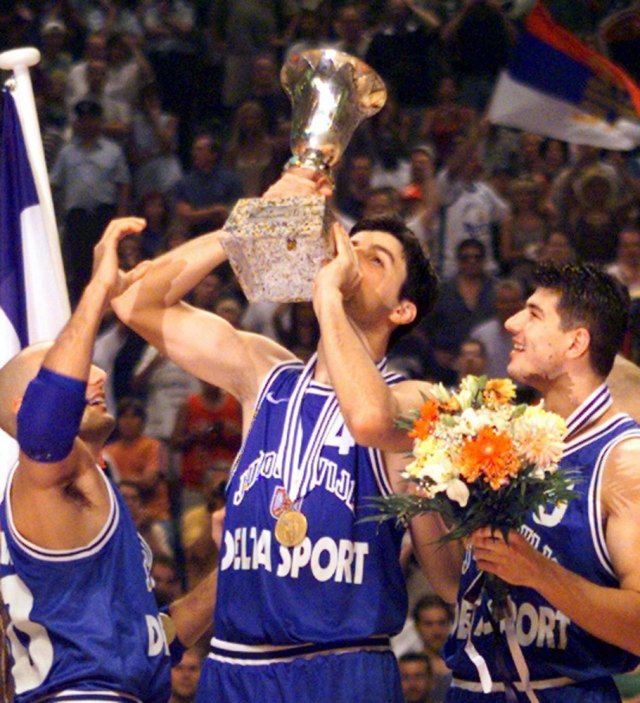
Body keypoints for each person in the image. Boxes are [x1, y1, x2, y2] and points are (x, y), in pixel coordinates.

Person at [111, 169, 462, 702]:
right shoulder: (265, 374)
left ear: (402, 309)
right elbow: (135, 301)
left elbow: (369, 418)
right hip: (236, 667)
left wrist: (328, 299)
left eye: (375, 260)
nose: (349, 259)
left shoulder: (415, 397)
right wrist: (247, 225)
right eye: (350, 245)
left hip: (343, 668)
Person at [0, 218, 217, 703]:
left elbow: (155, 641)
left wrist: (247, 551)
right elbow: (45, 429)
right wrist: (96, 292)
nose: (96, 374)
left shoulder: (79, 493)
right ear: (26, 407)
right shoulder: (43, 477)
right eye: (77, 374)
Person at [435, 263, 640, 702]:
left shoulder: (624, 459)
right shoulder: (504, 440)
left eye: (533, 313)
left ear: (575, 342)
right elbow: (455, 588)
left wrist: (540, 573)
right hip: (468, 689)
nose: (511, 322)